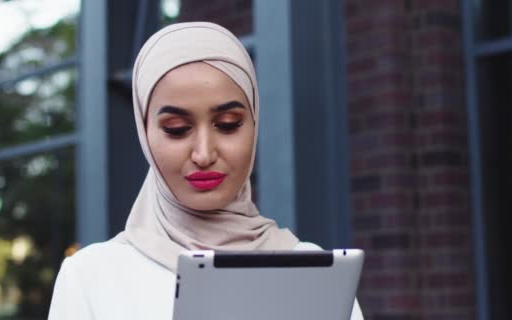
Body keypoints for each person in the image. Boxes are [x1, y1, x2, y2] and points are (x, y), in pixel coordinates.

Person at [47, 22, 363, 319]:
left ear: (254, 125)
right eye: (176, 128)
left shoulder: (313, 270)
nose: (203, 153)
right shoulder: (90, 276)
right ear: (145, 133)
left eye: (228, 125)